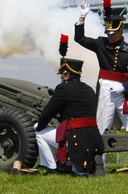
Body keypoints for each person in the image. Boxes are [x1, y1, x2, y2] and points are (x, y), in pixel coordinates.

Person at [75, 0, 128, 173]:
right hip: (106, 90)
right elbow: (80, 39)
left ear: (121, 31)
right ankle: (99, 164)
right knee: (101, 128)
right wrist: (82, 18)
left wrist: (124, 87)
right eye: (109, 33)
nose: (110, 36)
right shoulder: (101, 43)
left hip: (123, 92)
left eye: (113, 33)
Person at [34, 40, 104, 176]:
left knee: (40, 134)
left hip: (75, 138)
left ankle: (51, 168)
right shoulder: (89, 89)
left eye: (62, 75)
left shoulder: (63, 88)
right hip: (94, 138)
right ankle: (79, 169)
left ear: (66, 75)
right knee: (79, 173)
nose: (61, 78)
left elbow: (48, 112)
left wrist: (39, 126)